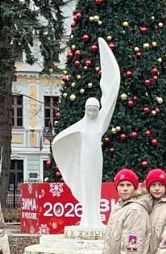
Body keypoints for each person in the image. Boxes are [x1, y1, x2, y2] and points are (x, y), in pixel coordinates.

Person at [51, 38, 120, 228]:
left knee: (95, 189)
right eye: (89, 110)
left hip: (96, 159)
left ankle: (95, 220)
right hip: (84, 160)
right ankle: (85, 220)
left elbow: (112, 94)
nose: (92, 113)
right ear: (85, 110)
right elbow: (61, 139)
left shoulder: (100, 124)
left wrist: (113, 75)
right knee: (85, 188)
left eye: (94, 110)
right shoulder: (80, 126)